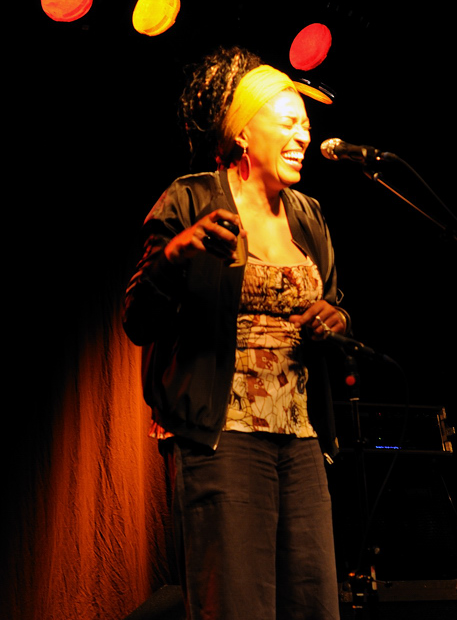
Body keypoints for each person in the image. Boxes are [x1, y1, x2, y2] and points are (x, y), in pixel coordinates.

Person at [124, 46, 347, 619]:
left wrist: (336, 319)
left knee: (313, 602)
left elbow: (334, 302)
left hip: (301, 435)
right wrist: (175, 254)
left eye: (306, 124)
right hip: (223, 433)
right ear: (244, 132)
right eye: (289, 122)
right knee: (237, 604)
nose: (303, 135)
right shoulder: (191, 198)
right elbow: (138, 321)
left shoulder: (308, 215)